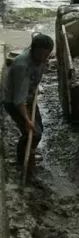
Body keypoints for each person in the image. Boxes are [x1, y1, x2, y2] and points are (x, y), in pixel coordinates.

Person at [2, 33, 54, 171]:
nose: (44, 58)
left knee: (39, 129)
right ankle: (22, 161)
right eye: (41, 54)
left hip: (29, 97)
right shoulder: (22, 66)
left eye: (47, 55)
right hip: (14, 102)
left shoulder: (41, 59)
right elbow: (19, 100)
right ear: (33, 50)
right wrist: (26, 120)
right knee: (32, 132)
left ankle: (29, 151)